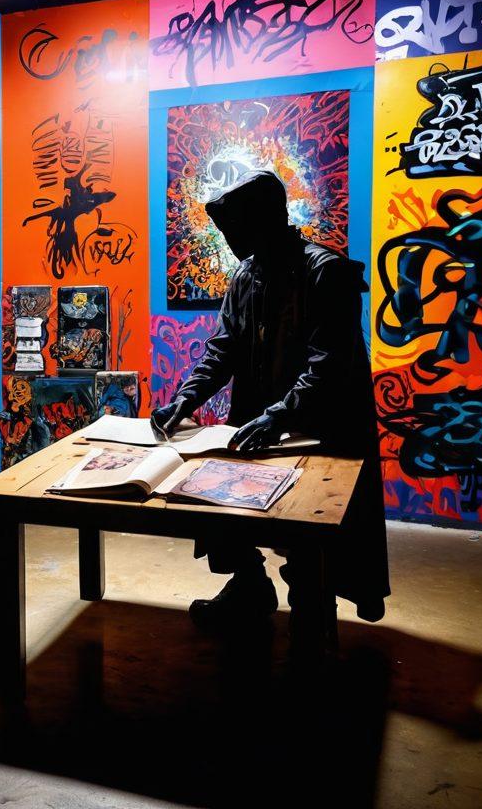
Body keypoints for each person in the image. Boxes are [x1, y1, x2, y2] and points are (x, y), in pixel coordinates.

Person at [151, 170, 389, 629]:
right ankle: (248, 586)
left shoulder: (327, 273)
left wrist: (277, 416)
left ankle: (313, 608)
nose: (230, 238)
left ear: (265, 219)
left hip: (320, 431)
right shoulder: (246, 274)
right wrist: (184, 399)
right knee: (215, 501)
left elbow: (329, 365)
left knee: (308, 531)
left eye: (236, 227)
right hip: (263, 425)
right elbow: (224, 349)